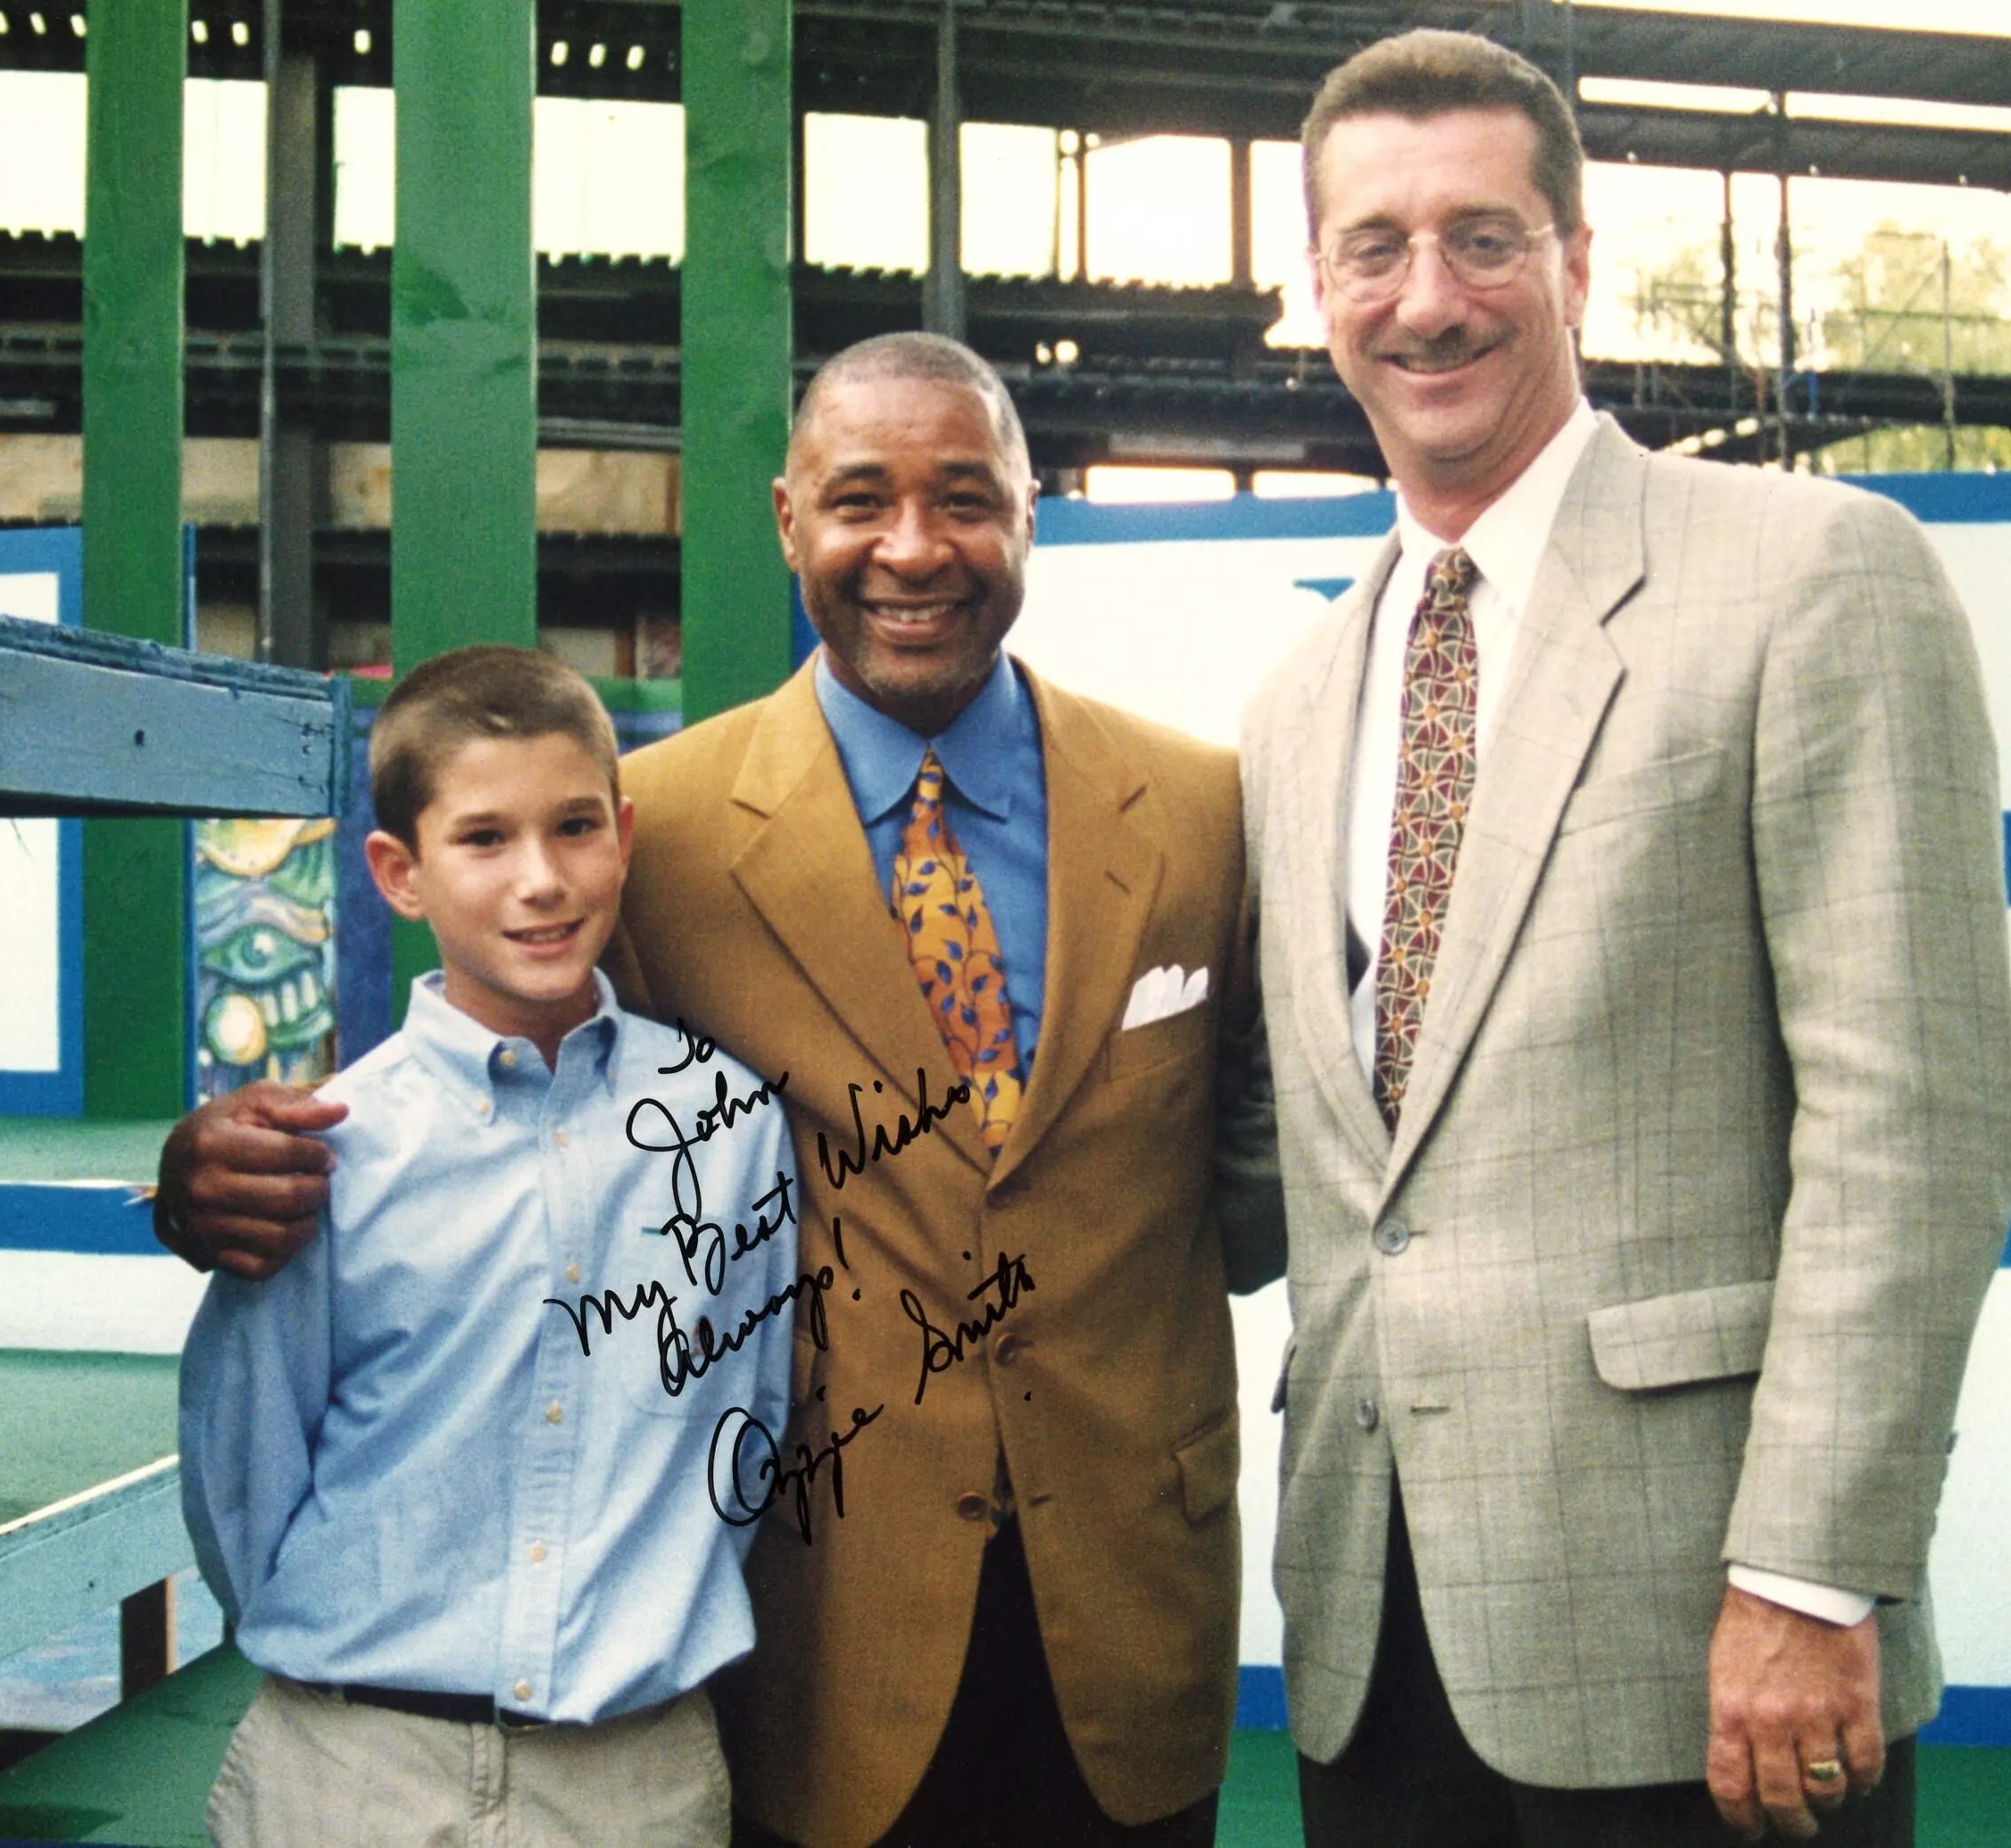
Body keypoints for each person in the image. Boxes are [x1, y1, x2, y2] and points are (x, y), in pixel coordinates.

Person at [157, 333, 1282, 1848]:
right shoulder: (653, 836)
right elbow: (493, 1083)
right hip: (821, 1627)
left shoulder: (1203, 807)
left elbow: (1268, 1157)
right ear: (785, 520)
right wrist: (203, 1172)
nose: (912, 548)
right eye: (860, 499)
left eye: (964, 497)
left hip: (1134, 1607)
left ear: (1032, 506)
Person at [1230, 29, 2011, 1847]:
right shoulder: (1294, 704)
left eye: (1480, 238)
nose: (1424, 299)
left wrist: (1811, 1579)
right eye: (1372, 249)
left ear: (1576, 263)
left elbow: (1911, 1128)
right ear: (1317, 289)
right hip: (1371, 1643)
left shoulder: (1814, 575)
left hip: (1706, 1643)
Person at [177, 646, 799, 1846]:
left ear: (622, 833)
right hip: (354, 1767)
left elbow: (749, 1428)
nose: (541, 881)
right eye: (483, 839)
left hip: (633, 1779)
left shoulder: (729, 1129)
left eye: (574, 827)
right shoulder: (325, 1148)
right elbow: (241, 1474)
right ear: (398, 872)